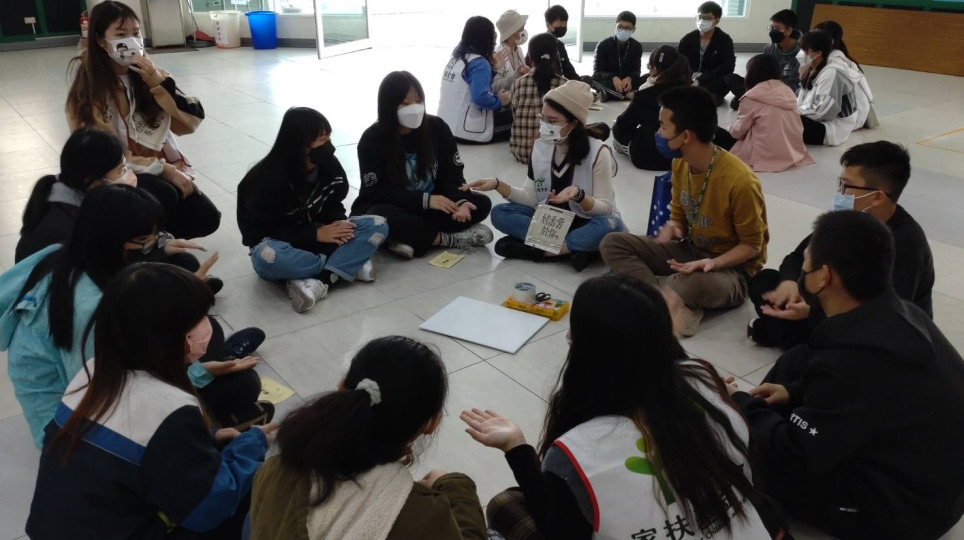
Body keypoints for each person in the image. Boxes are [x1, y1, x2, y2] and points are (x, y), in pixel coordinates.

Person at [461, 274, 789, 540]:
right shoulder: (704, 378)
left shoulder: (577, 452)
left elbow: (559, 532)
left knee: (505, 505)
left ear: (583, 348)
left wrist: (517, 447)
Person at [729, 211, 964, 540]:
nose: (803, 271)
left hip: (905, 513)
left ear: (823, 277)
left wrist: (740, 404)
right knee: (795, 364)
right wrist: (793, 391)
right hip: (939, 491)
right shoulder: (905, 313)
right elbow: (870, 394)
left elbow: (795, 454)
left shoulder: (849, 362)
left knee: (750, 459)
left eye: (807, 263)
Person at [26, 263, 277, 539]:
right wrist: (250, 446)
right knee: (254, 489)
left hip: (56, 529)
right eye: (199, 320)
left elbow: (138, 447)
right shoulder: (170, 406)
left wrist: (210, 438)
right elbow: (210, 507)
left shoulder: (92, 372)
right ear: (166, 335)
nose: (206, 325)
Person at [250, 335, 487, 540]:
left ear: (342, 388)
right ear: (431, 423)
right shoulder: (424, 515)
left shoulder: (276, 467)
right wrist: (455, 485)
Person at [600, 86, 768, 337]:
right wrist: (674, 227)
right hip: (691, 250)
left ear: (686, 135)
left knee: (693, 282)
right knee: (612, 243)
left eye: (662, 127)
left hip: (733, 270)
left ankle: (660, 293)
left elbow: (752, 246)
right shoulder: (680, 163)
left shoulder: (740, 181)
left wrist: (713, 262)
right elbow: (679, 214)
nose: (658, 133)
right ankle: (668, 298)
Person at [749, 141, 933, 348]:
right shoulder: (848, 220)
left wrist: (812, 312)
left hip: (875, 329)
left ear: (876, 197)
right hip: (831, 305)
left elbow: (888, 315)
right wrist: (789, 283)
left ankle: (789, 336)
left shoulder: (906, 243)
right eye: (840, 182)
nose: (840, 191)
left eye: (846, 185)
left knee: (838, 346)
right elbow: (798, 256)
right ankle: (795, 336)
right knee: (764, 281)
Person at [66, 1, 220, 240]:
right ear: (100, 41)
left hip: (153, 166)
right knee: (163, 192)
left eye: (136, 33)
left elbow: (190, 121)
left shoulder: (150, 74)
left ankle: (156, 236)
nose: (132, 41)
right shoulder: (88, 89)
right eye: (121, 35)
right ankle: (138, 242)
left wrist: (156, 81)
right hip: (113, 175)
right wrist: (164, 170)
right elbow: (102, 156)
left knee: (206, 218)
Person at [238, 107, 388, 314]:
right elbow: (254, 234)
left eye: (328, 138)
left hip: (321, 237)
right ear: (299, 144)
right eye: (322, 140)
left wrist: (338, 223)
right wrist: (314, 234)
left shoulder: (328, 165)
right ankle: (346, 265)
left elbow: (333, 203)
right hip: (282, 244)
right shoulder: (264, 180)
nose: (329, 145)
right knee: (270, 257)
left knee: (377, 224)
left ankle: (317, 279)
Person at [465, 81, 624, 272]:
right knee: (500, 213)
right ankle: (572, 248)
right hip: (550, 222)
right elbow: (531, 197)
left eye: (552, 121)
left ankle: (541, 250)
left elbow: (605, 208)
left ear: (574, 123)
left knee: (610, 224)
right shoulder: (541, 147)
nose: (545, 126)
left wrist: (579, 196)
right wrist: (498, 184)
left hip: (586, 220)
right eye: (543, 119)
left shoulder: (598, 152)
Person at [353, 71, 493, 259]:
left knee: (481, 203)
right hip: (397, 206)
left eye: (419, 101)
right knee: (379, 216)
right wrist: (425, 200)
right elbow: (378, 192)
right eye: (405, 103)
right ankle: (445, 239)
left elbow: (452, 172)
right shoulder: (372, 139)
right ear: (389, 105)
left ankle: (407, 238)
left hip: (431, 205)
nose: (414, 108)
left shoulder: (436, 127)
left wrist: (461, 201)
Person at [612, 46, 694, 170]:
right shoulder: (693, 91)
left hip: (652, 156)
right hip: (687, 154)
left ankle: (627, 148)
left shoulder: (646, 95)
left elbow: (623, 125)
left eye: (649, 67)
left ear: (655, 69)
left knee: (617, 130)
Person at [729, 54, 814, 173]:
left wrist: (730, 128)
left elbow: (738, 132)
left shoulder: (751, 97)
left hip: (763, 154)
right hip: (791, 151)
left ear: (752, 74)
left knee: (717, 134)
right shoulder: (787, 90)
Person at [438, 16, 512, 143]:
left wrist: (493, 70)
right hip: (467, 132)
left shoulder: (456, 58)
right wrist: (500, 101)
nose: (494, 42)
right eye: (493, 36)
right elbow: (480, 98)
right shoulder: (480, 63)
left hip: (446, 128)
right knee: (515, 115)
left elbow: (472, 85)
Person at [508, 32, 566, 164]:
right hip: (554, 155)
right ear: (555, 56)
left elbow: (515, 114)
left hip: (522, 152)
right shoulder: (564, 85)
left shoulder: (518, 83)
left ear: (530, 57)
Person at [725, 9, 801, 110]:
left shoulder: (801, 53)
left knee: (737, 103)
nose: (773, 31)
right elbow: (761, 72)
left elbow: (795, 83)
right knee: (730, 78)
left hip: (782, 91)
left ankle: (750, 99)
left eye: (777, 28)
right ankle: (754, 100)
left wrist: (769, 87)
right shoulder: (769, 48)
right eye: (771, 28)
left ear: (789, 30)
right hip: (763, 86)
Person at [796, 30, 862, 146]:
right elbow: (803, 100)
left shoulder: (832, 72)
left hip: (830, 128)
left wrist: (792, 111)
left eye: (805, 50)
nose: (801, 54)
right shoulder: (813, 67)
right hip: (816, 119)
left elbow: (821, 112)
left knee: (783, 120)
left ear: (817, 53)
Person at [815, 20, 878, 130]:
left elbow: (824, 104)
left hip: (848, 120)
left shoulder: (834, 64)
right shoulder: (840, 58)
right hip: (858, 115)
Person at [677, 1, 735, 107]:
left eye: (707, 18)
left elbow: (728, 66)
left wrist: (701, 79)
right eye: (700, 17)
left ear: (716, 20)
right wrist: (688, 78)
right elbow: (678, 59)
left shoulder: (724, 40)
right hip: (689, 77)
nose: (702, 21)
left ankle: (696, 95)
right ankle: (701, 96)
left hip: (711, 78)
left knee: (727, 79)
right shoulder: (688, 38)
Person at [591, 11, 643, 101]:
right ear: (615, 27)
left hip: (627, 84)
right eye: (620, 27)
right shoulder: (603, 45)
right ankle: (628, 95)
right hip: (609, 81)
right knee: (591, 80)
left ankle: (609, 94)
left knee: (649, 78)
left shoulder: (636, 46)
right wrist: (613, 77)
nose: (623, 30)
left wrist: (629, 78)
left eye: (627, 28)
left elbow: (636, 72)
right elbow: (597, 72)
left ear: (633, 29)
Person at [493, 9, 530, 94]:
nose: (524, 31)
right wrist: (516, 75)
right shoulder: (498, 54)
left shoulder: (519, 50)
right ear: (512, 33)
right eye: (521, 29)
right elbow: (495, 87)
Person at [545, 5, 580, 81]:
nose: (563, 27)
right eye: (560, 25)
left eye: (565, 24)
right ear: (548, 25)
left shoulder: (559, 45)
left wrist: (579, 82)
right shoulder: (540, 44)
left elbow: (568, 68)